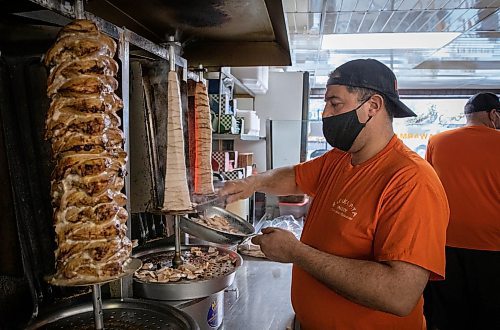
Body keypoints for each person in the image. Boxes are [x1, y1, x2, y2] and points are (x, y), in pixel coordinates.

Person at [219, 58, 449, 329]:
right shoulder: (340, 159)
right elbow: (294, 176)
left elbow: (398, 294)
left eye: (334, 103)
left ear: (372, 107)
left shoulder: (411, 181)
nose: (326, 113)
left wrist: (296, 252)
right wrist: (252, 183)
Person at [423, 92, 500, 330]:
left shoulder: (437, 141)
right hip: (493, 247)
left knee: (447, 317)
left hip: (445, 246)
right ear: (494, 115)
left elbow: (429, 188)